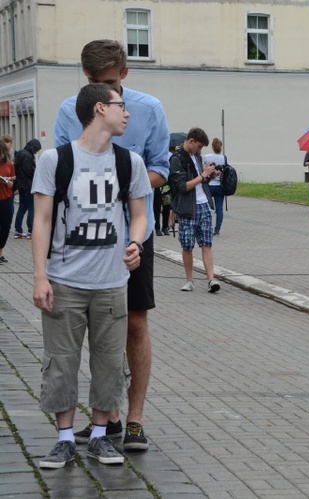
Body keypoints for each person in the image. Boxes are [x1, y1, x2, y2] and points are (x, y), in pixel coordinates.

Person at [54, 39, 170, 451]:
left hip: (132, 235)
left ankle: (135, 419)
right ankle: (109, 419)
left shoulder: (149, 109)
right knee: (94, 332)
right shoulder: (70, 110)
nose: (104, 96)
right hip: (84, 240)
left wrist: (125, 181)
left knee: (134, 325)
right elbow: (60, 170)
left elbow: (160, 167)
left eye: (110, 83)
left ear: (125, 74)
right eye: (94, 83)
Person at [32, 83, 150, 468]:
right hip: (64, 280)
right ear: (100, 108)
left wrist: (135, 244)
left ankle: (100, 435)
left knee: (110, 362)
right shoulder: (55, 159)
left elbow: (139, 215)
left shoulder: (128, 162)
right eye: (121, 106)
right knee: (61, 360)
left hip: (112, 283)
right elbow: (42, 220)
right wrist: (39, 276)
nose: (126, 112)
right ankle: (65, 438)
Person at [169, 127, 221, 293]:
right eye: (199, 146)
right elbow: (183, 186)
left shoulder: (197, 156)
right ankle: (189, 280)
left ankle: (211, 280)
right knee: (187, 246)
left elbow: (201, 182)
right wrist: (202, 175)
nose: (200, 150)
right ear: (191, 141)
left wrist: (210, 175)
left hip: (204, 205)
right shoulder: (177, 159)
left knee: (207, 244)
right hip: (187, 208)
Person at [13, 138, 42, 239]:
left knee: (22, 208)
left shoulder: (19, 154)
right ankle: (31, 231)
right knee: (31, 208)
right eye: (36, 150)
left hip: (21, 185)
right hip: (29, 186)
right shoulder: (28, 156)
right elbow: (29, 171)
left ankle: (18, 230)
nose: (36, 152)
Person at [203, 138, 227, 236]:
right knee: (219, 209)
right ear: (221, 147)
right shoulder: (224, 158)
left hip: (209, 185)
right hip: (220, 186)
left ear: (212, 146)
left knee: (206, 207)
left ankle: (206, 227)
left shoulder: (206, 157)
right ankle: (217, 230)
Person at [0, 140, 15, 264]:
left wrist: (7, 181)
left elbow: (13, 185)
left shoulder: (9, 165)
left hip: (6, 199)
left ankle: (1, 252)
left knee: (5, 227)